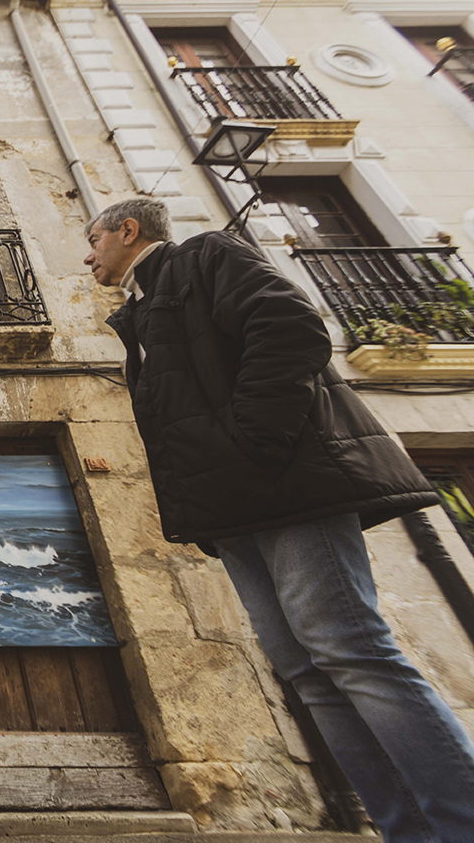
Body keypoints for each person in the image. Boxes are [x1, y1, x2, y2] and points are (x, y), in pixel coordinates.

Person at [86, 197, 474, 843]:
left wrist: (254, 444)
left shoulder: (206, 256)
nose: (89, 255)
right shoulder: (140, 311)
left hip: (288, 488)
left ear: (129, 232)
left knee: (349, 649)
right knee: (304, 670)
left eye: (93, 239)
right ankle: (406, 829)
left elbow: (292, 327)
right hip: (235, 513)